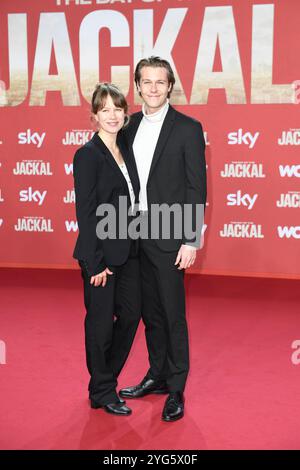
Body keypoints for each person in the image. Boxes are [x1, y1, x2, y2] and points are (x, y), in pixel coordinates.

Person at [119, 57, 207, 422]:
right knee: (149, 312)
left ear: (170, 86)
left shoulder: (188, 128)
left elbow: (195, 187)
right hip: (133, 232)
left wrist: (191, 239)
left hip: (171, 234)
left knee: (172, 315)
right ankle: (156, 375)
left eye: (160, 82)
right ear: (136, 85)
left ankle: (176, 388)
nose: (153, 88)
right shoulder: (128, 126)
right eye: (146, 81)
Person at [73, 83, 141, 416]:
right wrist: (93, 261)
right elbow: (85, 213)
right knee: (100, 325)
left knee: (130, 315)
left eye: (117, 108)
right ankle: (102, 388)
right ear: (94, 116)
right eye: (105, 110)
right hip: (100, 256)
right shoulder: (87, 155)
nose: (112, 115)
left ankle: (105, 381)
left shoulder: (126, 148)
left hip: (128, 252)